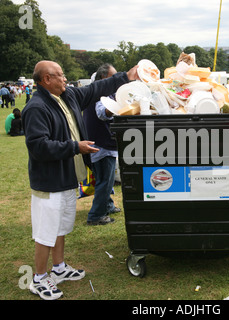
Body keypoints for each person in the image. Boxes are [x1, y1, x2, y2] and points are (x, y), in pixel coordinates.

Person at [22, 60, 139, 300]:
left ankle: (59, 267)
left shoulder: (68, 96)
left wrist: (126, 76)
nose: (65, 79)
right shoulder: (36, 107)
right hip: (49, 181)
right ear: (46, 80)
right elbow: (38, 146)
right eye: (60, 75)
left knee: (61, 227)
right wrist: (75, 147)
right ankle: (39, 278)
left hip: (67, 178)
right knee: (46, 232)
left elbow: (96, 88)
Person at [84, 63, 121, 226]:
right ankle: (96, 215)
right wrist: (119, 106)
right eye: (112, 77)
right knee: (105, 180)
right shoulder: (101, 94)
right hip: (102, 143)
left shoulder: (95, 91)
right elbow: (102, 113)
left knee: (105, 178)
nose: (115, 80)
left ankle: (108, 205)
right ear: (103, 78)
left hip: (98, 141)